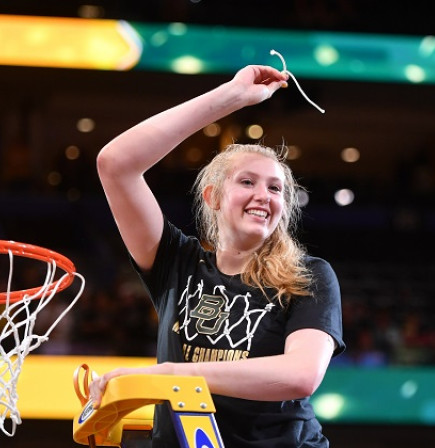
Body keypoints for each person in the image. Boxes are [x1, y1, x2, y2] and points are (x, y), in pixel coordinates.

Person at [89, 64, 345, 447]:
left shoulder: (308, 273)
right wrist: (230, 97)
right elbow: (115, 164)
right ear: (213, 197)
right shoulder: (175, 261)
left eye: (276, 188)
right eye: (247, 181)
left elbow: (300, 374)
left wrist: (172, 375)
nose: (264, 195)